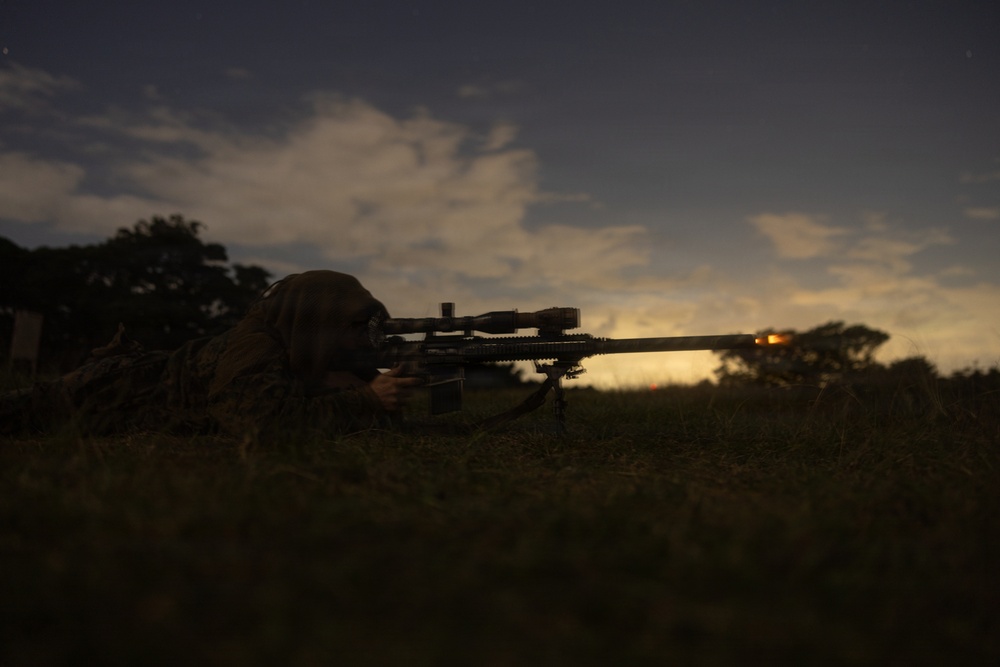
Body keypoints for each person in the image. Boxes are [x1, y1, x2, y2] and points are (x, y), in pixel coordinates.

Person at [0, 270, 421, 438]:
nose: (362, 339)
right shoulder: (257, 341)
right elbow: (253, 420)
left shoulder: (317, 354)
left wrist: (387, 390)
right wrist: (367, 399)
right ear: (319, 319)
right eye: (352, 326)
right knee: (19, 412)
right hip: (111, 392)